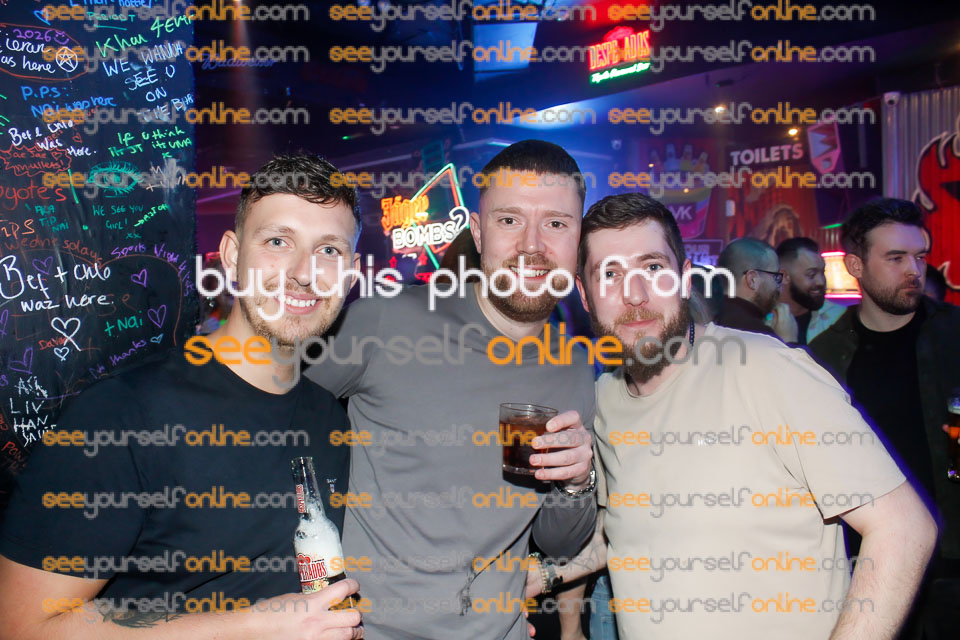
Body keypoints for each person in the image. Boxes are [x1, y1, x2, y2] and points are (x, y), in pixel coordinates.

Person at [0, 155, 365, 638]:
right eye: (278, 242)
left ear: (351, 273)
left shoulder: (329, 417)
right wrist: (253, 627)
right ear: (232, 256)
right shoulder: (123, 416)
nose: (303, 272)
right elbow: (23, 625)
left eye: (329, 250)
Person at [549, 192, 936, 639]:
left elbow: (903, 528)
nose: (633, 294)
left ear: (684, 279)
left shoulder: (766, 368)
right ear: (585, 295)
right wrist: (541, 578)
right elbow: (627, 531)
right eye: (609, 274)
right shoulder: (606, 400)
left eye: (652, 268)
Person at [305, 139, 597, 639]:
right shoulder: (386, 323)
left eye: (555, 223)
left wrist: (576, 483)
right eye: (510, 220)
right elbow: (267, 420)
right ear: (479, 233)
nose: (532, 245)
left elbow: (559, 543)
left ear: (578, 239)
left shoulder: (573, 367)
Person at [810, 198, 960, 639]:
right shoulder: (824, 356)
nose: (913, 269)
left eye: (919, 256)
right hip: (867, 568)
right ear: (855, 265)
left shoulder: (954, 334)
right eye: (895, 258)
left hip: (953, 564)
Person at [715, 237, 797, 341]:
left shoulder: (705, 318)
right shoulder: (759, 334)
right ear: (752, 280)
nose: (779, 286)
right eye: (776, 276)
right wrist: (789, 341)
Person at [775, 237, 846, 345]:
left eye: (823, 272)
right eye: (811, 274)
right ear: (784, 276)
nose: (821, 282)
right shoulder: (761, 321)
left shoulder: (838, 316)